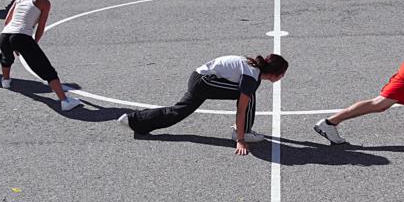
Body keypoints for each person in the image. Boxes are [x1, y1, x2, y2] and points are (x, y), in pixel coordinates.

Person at [118, 54, 288, 155]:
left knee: (178, 112)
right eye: (282, 74)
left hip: (199, 78)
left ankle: (134, 121)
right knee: (246, 96)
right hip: (203, 82)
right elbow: (241, 109)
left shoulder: (254, 69)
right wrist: (241, 140)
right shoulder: (252, 75)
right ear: (274, 74)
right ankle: (242, 132)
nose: (283, 77)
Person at [0, 0, 83, 113]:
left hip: (4, 35)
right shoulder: (44, 2)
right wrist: (33, 43)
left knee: (6, 58)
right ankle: (65, 101)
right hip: (21, 36)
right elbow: (41, 27)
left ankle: (6, 81)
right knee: (46, 69)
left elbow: (7, 21)